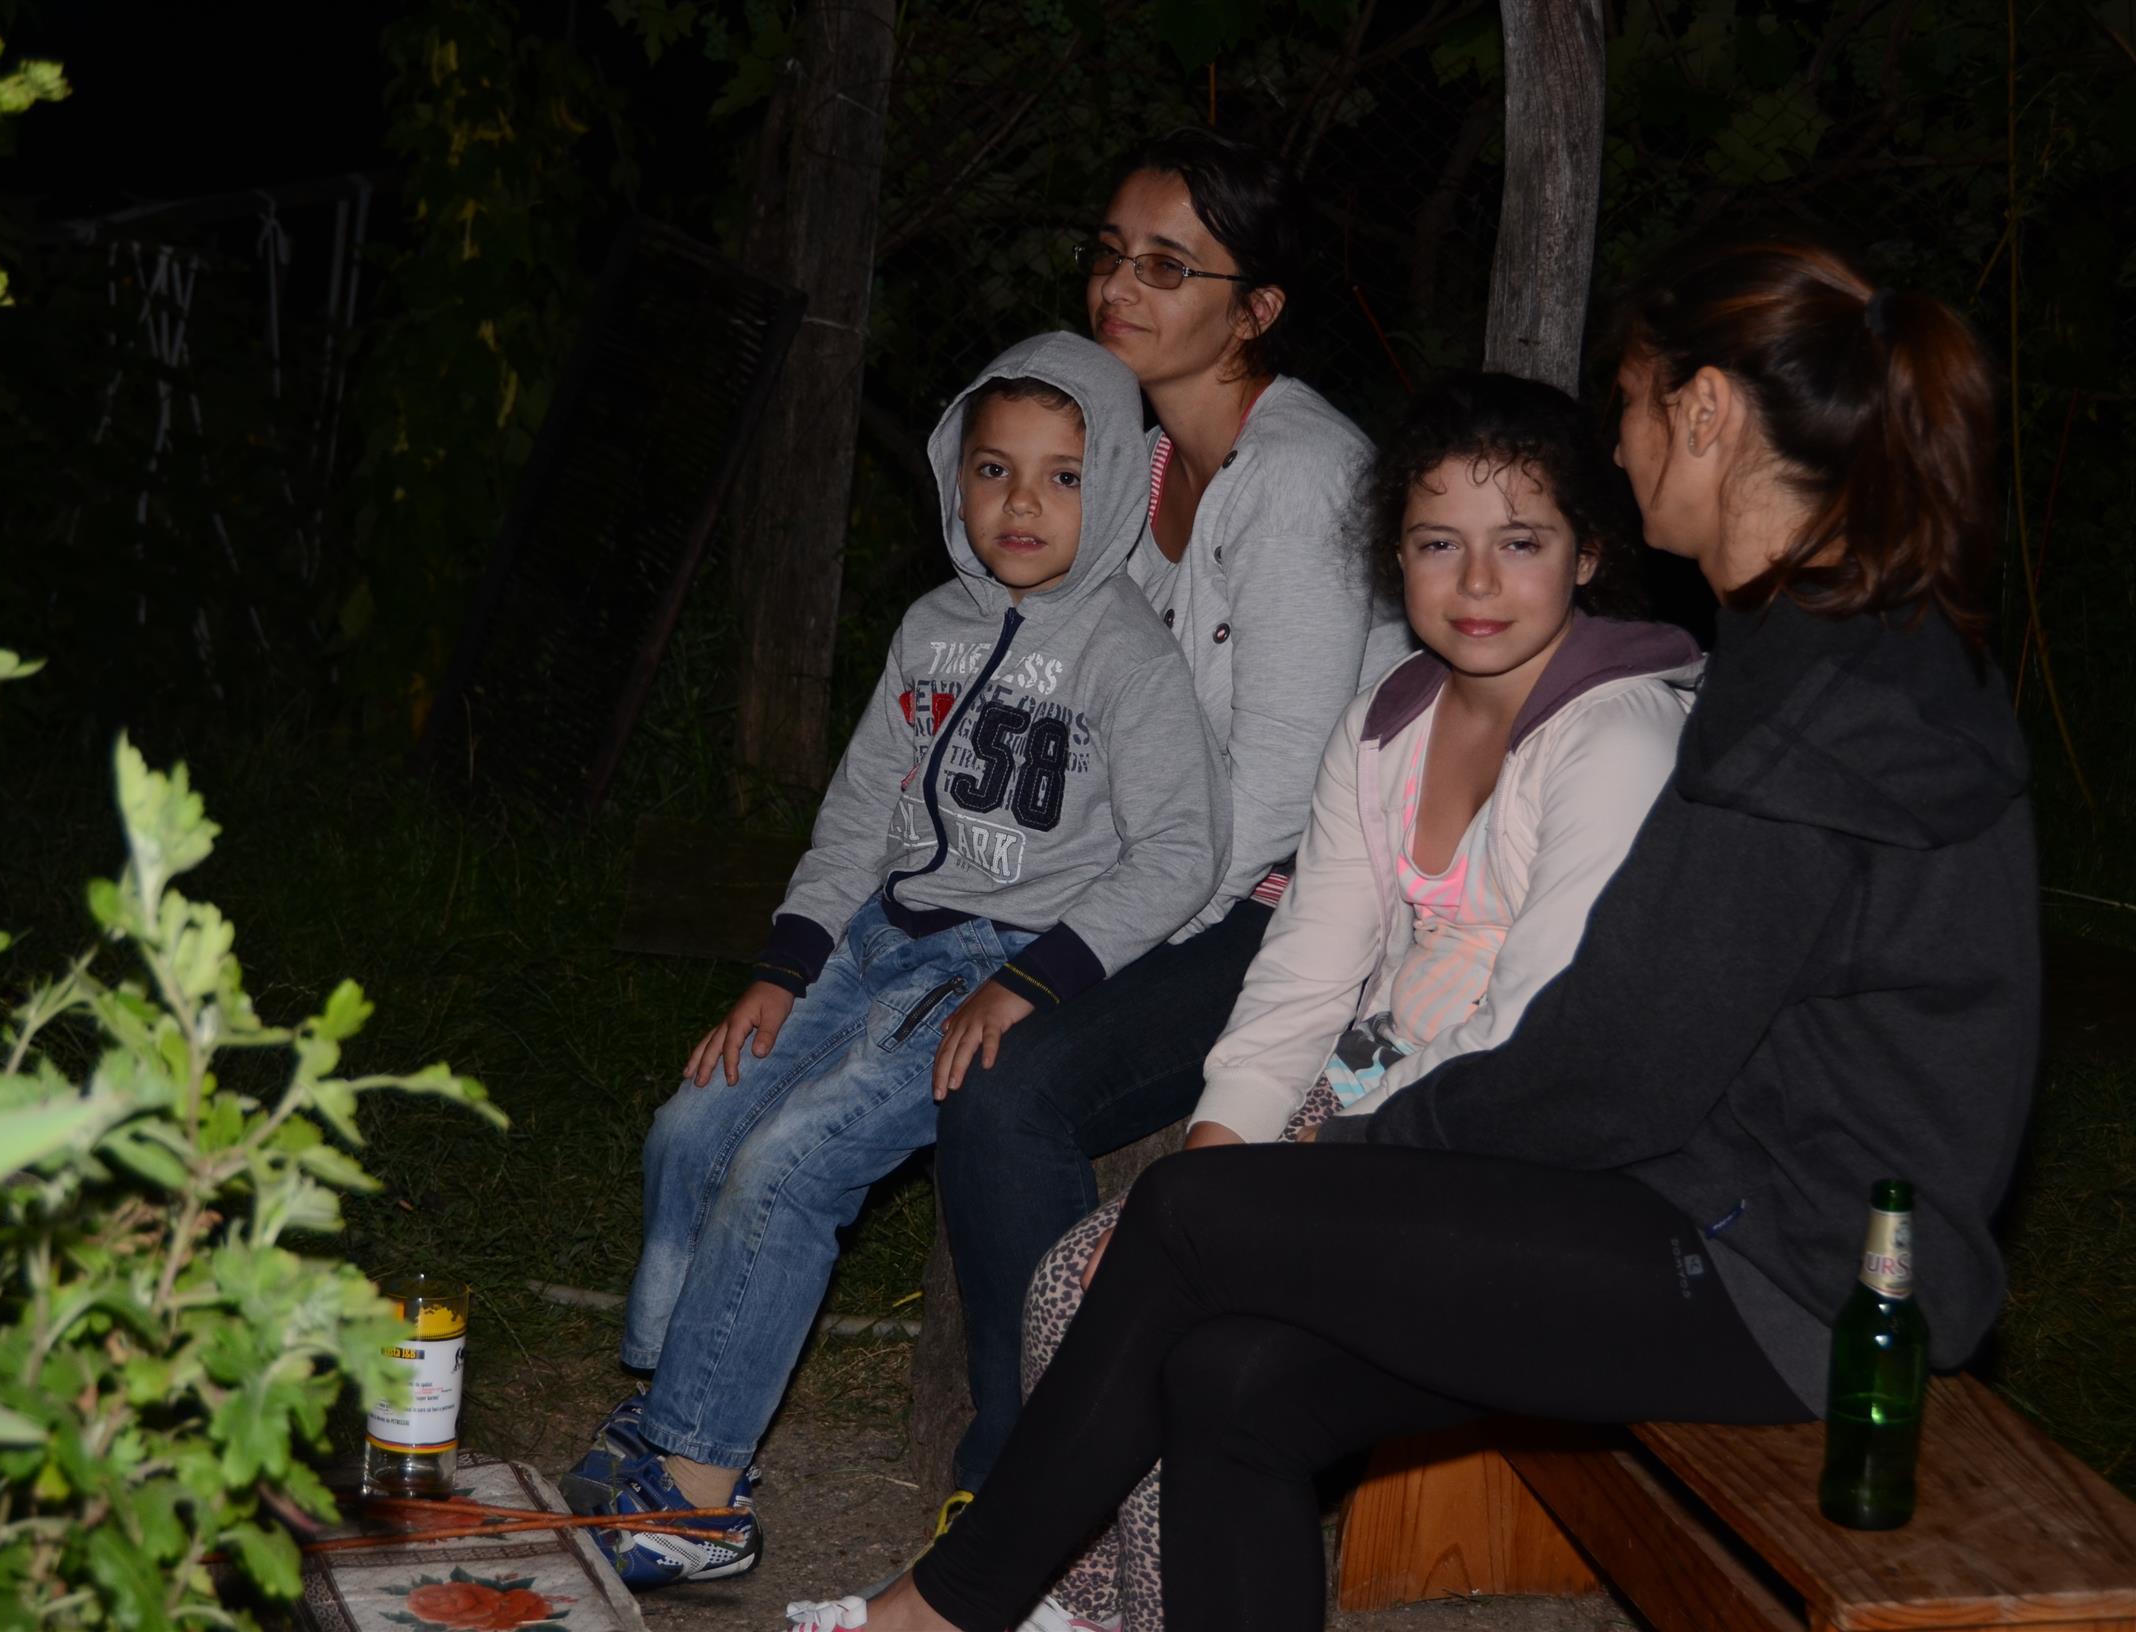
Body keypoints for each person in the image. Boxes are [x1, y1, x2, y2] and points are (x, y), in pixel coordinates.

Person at [788, 234, 2041, 1632]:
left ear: (1702, 413)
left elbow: (1617, 1070)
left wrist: (1354, 1157)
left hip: (1793, 1283)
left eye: (1629, 407)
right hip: (1708, 1210)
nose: (1619, 448)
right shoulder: (1826, 647)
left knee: (1196, 1217)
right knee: (1233, 1382)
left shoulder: (1827, 708)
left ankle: (950, 1607)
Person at [1012, 370, 1702, 1632]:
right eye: (1438, 543)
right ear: (1397, 556)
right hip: (1364, 1104)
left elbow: (1532, 1040)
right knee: (1080, 1277)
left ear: (1589, 554)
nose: (1476, 582)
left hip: (1523, 1158)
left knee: (1201, 1336)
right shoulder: (1388, 725)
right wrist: (1208, 1172)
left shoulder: (1620, 741)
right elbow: (1307, 972)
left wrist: (1278, 1198)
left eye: (1520, 542)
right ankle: (1095, 1608)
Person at [560, 330, 1229, 1589]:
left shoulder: (1127, 656)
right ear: (950, 475)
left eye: (1062, 475)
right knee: (694, 1123)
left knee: (786, 1167)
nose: (1022, 503)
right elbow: (861, 812)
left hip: (989, 972)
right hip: (872, 940)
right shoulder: (927, 629)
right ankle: (666, 1406)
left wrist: (1034, 981)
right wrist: (782, 968)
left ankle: (698, 1500)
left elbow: (1183, 853)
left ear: (1114, 488)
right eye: (993, 468)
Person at [934, 127, 1409, 1508]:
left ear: (1254, 310)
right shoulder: (1135, 461)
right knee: (928, 1012)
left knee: (1010, 1089)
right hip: (1174, 873)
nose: (1116, 290)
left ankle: (1034, 1486)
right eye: (1108, 255)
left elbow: (1270, 797)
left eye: (1165, 267)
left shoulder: (1302, 477)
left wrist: (1075, 951)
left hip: (1302, 904)